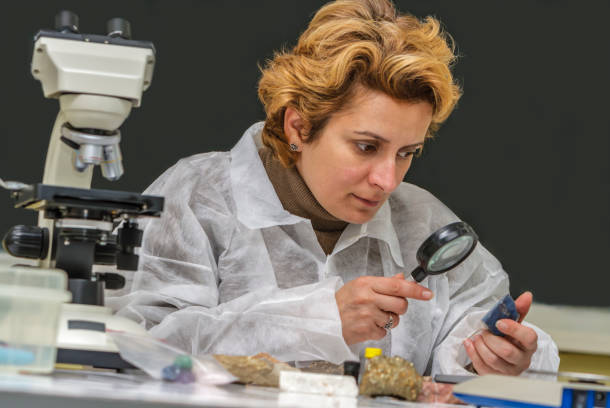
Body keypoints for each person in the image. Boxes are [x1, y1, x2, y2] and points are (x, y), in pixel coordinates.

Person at [108, 0, 559, 375]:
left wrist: (494, 357)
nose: (388, 180)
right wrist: (317, 320)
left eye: (407, 153)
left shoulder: (422, 223)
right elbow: (137, 346)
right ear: (299, 127)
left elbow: (464, 340)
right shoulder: (197, 199)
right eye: (366, 147)